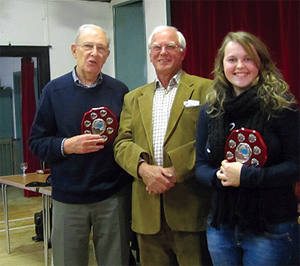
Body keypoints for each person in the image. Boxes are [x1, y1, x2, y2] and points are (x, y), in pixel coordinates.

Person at [29, 24, 132, 266]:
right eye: (88, 46)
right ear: (75, 50)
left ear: (107, 55)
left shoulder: (120, 91)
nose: (94, 53)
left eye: (101, 48)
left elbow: (128, 140)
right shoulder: (54, 91)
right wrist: (67, 146)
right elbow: (36, 142)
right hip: (68, 199)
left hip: (112, 197)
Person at [195, 31, 300, 266]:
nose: (239, 66)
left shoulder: (282, 106)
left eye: (248, 59)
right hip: (221, 226)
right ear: (222, 65)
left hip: (272, 226)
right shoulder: (211, 110)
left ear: (261, 64)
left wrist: (247, 177)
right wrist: (218, 177)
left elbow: (296, 166)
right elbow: (200, 164)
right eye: (232, 59)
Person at [114, 25, 213, 265]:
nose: (163, 52)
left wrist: (174, 171)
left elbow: (211, 140)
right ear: (150, 54)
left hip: (190, 208)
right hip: (147, 212)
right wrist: (143, 169)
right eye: (156, 47)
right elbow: (121, 143)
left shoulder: (207, 89)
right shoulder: (133, 97)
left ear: (183, 52)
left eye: (170, 46)